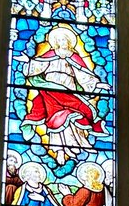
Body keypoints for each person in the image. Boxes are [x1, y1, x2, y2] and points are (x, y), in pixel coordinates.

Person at [19, 25, 105, 165]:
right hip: (51, 89)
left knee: (76, 113)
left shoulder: (74, 57)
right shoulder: (49, 55)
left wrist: (97, 84)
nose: (62, 42)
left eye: (64, 40)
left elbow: (84, 75)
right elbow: (37, 67)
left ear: (69, 42)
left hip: (69, 88)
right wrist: (28, 62)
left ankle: (82, 142)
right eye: (58, 40)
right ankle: (59, 150)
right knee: (57, 117)